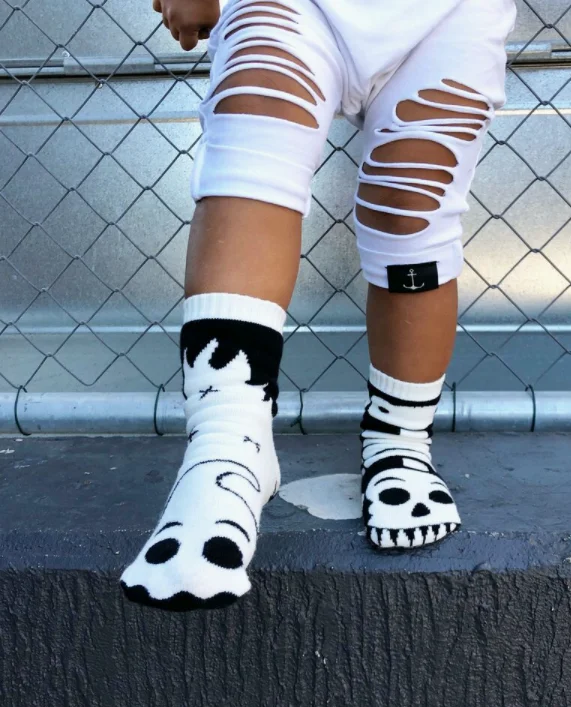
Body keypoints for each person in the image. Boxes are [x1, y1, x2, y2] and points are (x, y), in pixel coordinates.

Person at [120, 0, 517, 610]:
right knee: (252, 145)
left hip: (450, 12)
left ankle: (400, 440)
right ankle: (228, 448)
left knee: (413, 213)